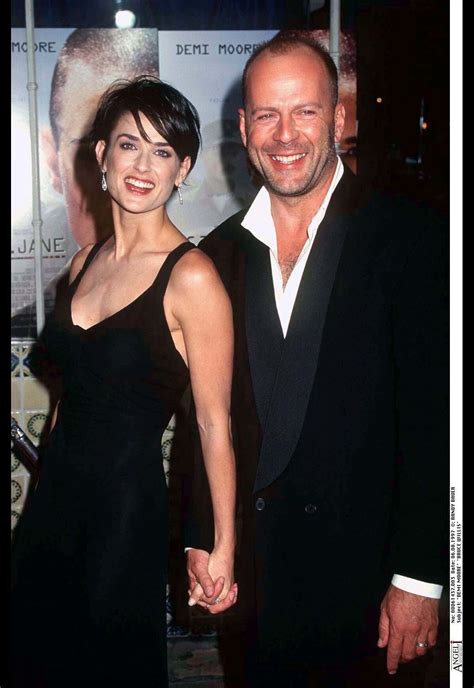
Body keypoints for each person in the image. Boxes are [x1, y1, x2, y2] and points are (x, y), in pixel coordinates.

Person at [186, 31, 448, 687]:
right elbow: (205, 416)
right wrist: (199, 536)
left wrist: (422, 576)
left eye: (304, 111)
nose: (285, 135)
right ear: (243, 128)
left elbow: (437, 419)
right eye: (267, 115)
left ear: (339, 118)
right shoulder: (216, 255)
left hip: (371, 597)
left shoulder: (411, 237)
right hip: (256, 592)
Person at [10, 75, 237, 687]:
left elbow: (214, 425)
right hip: (53, 500)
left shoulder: (192, 277)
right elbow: (69, 398)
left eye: (162, 151)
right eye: (129, 144)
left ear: (181, 170)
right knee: (33, 655)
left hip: (124, 511)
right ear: (101, 155)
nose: (142, 165)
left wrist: (223, 546)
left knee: (106, 668)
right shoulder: (84, 263)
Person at [12, 28, 160, 337]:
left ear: (180, 166)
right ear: (51, 159)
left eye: (135, 147)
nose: (117, 174)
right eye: (90, 152)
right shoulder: (80, 268)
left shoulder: (194, 276)